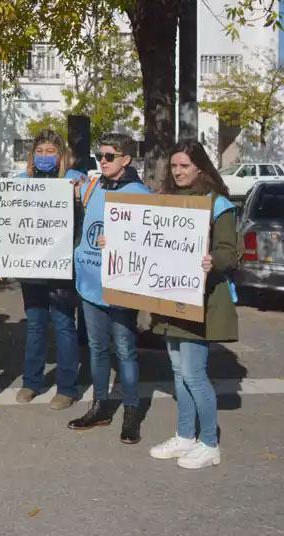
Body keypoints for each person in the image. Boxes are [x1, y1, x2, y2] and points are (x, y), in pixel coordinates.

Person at [148, 140, 238, 469]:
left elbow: (231, 251)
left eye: (184, 165)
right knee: (177, 370)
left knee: (193, 373)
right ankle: (185, 436)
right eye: (174, 166)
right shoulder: (168, 201)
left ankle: (209, 443)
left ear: (199, 166)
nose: (178, 171)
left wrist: (213, 259)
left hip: (203, 301)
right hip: (172, 298)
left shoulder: (218, 204)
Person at [69, 132, 150, 443]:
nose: (101, 161)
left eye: (108, 157)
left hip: (119, 288)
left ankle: (131, 412)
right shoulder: (93, 187)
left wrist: (119, 241)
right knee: (97, 349)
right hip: (89, 283)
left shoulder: (139, 193)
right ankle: (100, 406)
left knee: (125, 350)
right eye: (99, 156)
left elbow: (147, 241)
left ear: (126, 160)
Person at [15, 129, 84, 410]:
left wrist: (79, 197)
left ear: (61, 155)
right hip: (31, 266)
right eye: (39, 152)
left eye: (51, 152)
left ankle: (67, 388)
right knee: (35, 325)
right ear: (32, 155)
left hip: (61, 266)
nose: (45, 157)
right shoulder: (22, 182)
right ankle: (31, 382)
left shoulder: (75, 181)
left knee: (65, 326)